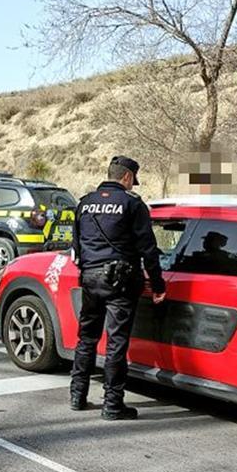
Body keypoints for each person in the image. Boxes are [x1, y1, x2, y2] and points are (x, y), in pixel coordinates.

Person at [70, 156, 166, 420]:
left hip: (89, 278)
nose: (133, 186)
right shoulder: (132, 205)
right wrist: (158, 285)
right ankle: (112, 405)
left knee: (86, 338)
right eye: (133, 181)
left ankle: (77, 396)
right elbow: (148, 250)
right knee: (116, 343)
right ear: (126, 178)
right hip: (121, 283)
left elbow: (76, 248)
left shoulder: (85, 204)